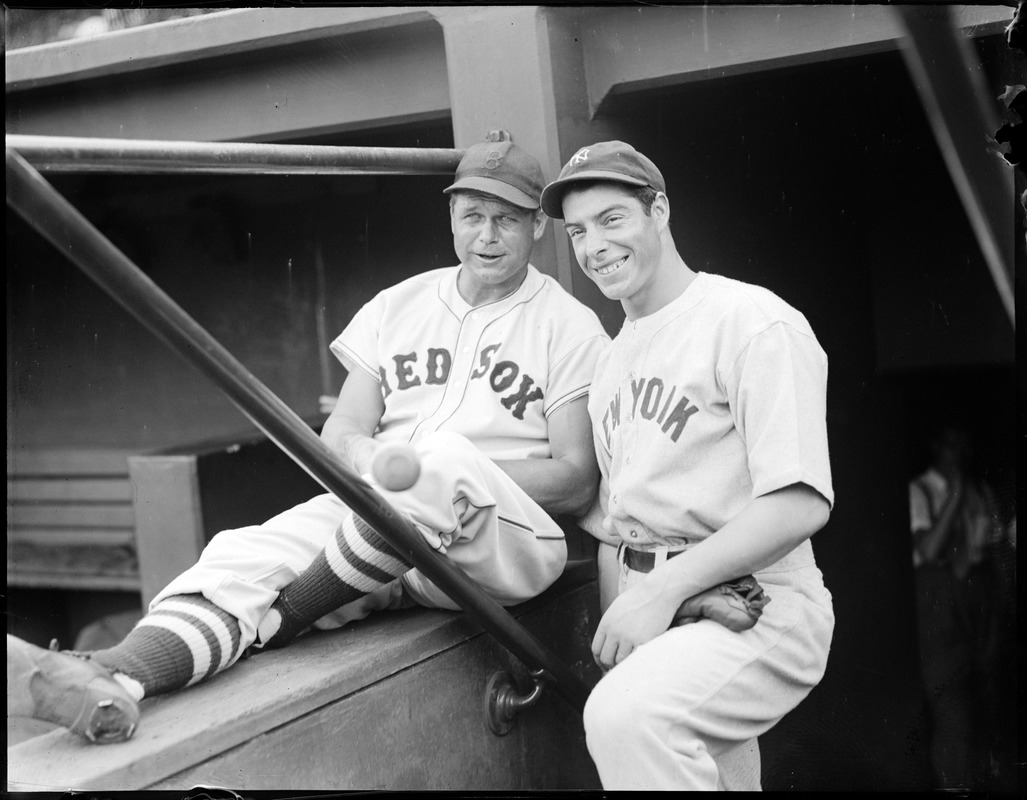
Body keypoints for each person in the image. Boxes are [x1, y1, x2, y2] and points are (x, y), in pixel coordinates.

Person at [8, 135, 612, 744]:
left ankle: (286, 620)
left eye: (506, 220)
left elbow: (576, 478)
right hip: (384, 530)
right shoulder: (398, 304)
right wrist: (368, 457)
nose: (486, 235)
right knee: (240, 554)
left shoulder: (568, 326)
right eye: (472, 217)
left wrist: (441, 471)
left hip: (501, 543)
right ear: (450, 216)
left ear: (538, 226)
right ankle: (107, 679)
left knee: (445, 458)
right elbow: (341, 429)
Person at [539, 141, 835, 790]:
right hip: (660, 600)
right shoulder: (614, 360)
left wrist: (664, 593)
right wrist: (633, 624)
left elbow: (799, 500)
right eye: (578, 231)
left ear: (659, 211)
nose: (593, 247)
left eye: (612, 220)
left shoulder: (749, 321)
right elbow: (625, 527)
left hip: (757, 595)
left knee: (627, 719)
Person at [908, 425, 1008, 789]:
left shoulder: (979, 490)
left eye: (963, 444)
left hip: (978, 599)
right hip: (939, 606)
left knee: (986, 697)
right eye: (951, 443)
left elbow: (994, 544)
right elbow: (929, 550)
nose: (958, 452)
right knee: (951, 710)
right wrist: (955, 496)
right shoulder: (920, 491)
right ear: (936, 446)